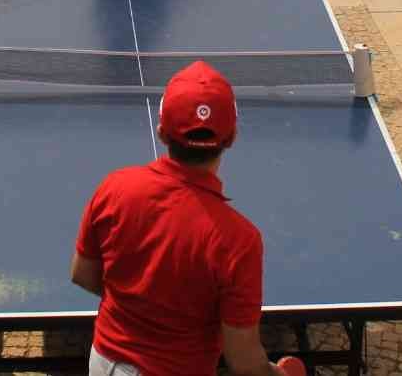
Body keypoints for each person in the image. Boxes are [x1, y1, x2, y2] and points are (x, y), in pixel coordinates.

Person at [72, 60, 303, 376]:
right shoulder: (239, 241)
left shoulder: (114, 188)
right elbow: (243, 359)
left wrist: (141, 305)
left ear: (161, 132)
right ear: (232, 136)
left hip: (103, 364)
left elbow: (83, 274)